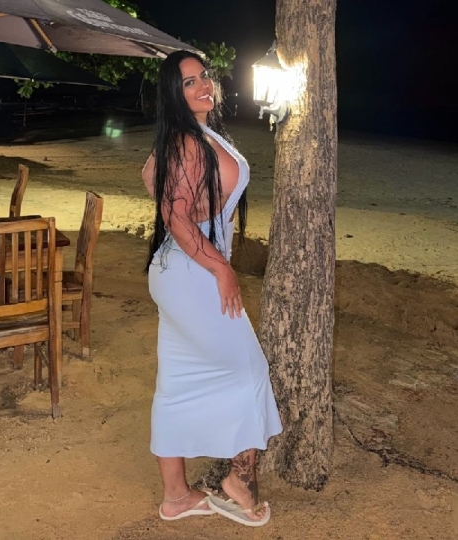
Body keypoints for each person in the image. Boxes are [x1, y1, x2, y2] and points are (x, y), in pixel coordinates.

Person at [141, 50, 282, 527]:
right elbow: (174, 215)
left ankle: (176, 497)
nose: (203, 85)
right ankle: (238, 480)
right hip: (191, 272)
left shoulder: (191, 136)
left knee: (177, 381)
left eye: (205, 76)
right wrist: (222, 268)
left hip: (179, 268)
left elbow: (155, 182)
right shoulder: (185, 141)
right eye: (189, 82)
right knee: (249, 368)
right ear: (173, 94)